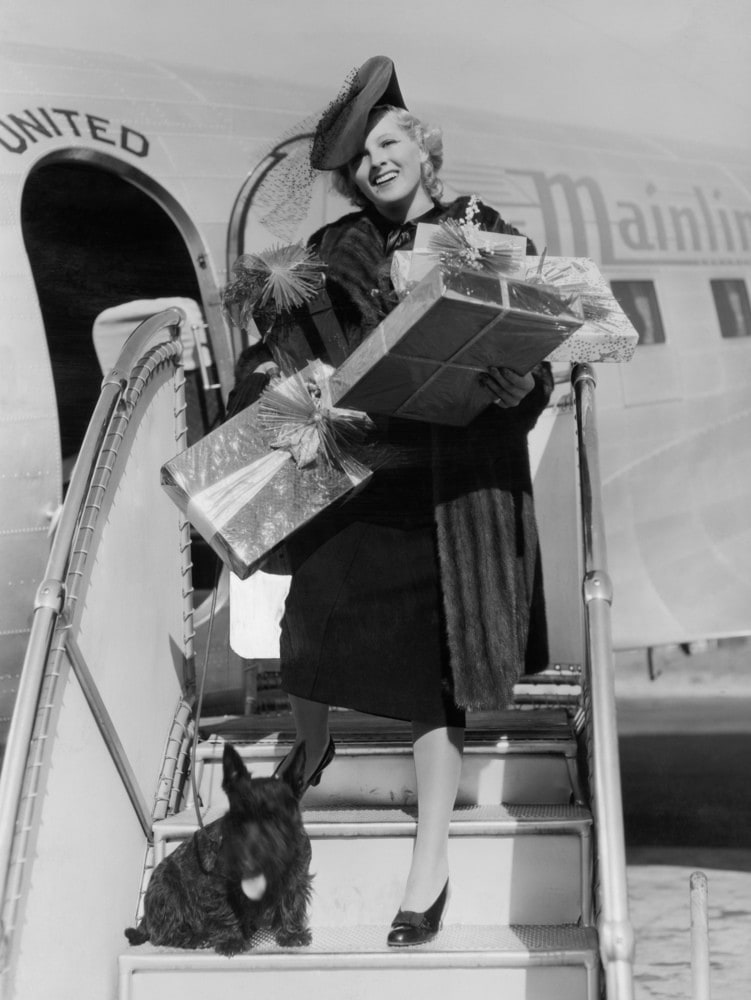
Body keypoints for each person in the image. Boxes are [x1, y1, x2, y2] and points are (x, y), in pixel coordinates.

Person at [232, 56, 552, 947]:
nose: (375, 162)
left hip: (445, 491)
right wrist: (288, 384)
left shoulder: (485, 234)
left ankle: (430, 864)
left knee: (427, 679)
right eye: (360, 157)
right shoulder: (330, 253)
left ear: (421, 145)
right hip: (357, 476)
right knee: (310, 622)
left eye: (387, 142)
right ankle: (314, 741)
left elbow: (531, 367)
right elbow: (277, 348)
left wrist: (512, 375)